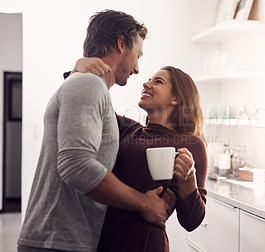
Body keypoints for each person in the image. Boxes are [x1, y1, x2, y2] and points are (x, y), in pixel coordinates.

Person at [18, 10, 169, 252]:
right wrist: (144, 204)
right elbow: (76, 166)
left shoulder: (85, 85)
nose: (138, 69)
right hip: (57, 243)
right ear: (121, 44)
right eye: (137, 55)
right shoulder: (88, 85)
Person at [72, 59, 208, 252]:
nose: (146, 84)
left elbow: (192, 221)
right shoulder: (128, 129)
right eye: (148, 80)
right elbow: (84, 105)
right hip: (104, 241)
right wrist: (78, 68)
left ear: (175, 99)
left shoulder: (191, 144)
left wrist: (189, 179)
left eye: (158, 82)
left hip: (144, 244)